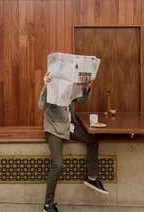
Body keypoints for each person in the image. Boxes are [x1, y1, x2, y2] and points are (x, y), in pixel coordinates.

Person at [38, 72, 109, 212]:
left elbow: (81, 100)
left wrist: (87, 87)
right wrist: (45, 86)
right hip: (54, 129)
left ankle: (91, 177)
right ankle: (48, 205)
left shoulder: (69, 89)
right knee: (57, 165)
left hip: (69, 127)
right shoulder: (51, 89)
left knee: (93, 140)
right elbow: (41, 105)